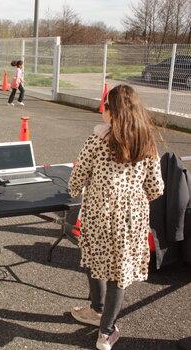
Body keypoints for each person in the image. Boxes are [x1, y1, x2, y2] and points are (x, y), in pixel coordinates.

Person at [68, 85, 164, 350]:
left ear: (112, 111)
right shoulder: (146, 141)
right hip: (131, 218)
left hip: (99, 213)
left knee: (95, 258)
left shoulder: (96, 139)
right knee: (118, 274)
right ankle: (105, 332)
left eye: (105, 107)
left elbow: (77, 179)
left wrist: (76, 188)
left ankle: (98, 312)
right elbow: (156, 188)